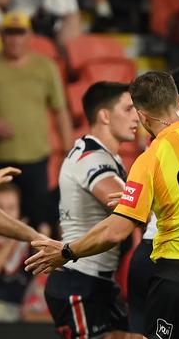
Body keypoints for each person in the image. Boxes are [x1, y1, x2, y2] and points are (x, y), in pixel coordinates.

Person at [25, 71, 179, 339]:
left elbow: (116, 231)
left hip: (176, 278)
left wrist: (66, 251)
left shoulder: (150, 158)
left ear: (143, 117)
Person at [42, 81, 139, 339]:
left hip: (98, 282)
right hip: (79, 281)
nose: (136, 116)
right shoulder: (92, 159)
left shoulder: (106, 155)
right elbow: (126, 204)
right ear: (104, 115)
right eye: (128, 109)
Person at [0, 10, 72, 230]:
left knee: (39, 219)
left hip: (35, 158)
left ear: (30, 35)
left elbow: (60, 111)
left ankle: (37, 264)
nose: (15, 38)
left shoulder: (45, 67)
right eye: (9, 33)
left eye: (20, 32)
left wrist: (69, 151)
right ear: (1, 36)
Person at [0, 183, 31, 322]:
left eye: (11, 208)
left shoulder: (29, 244)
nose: (5, 214)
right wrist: (12, 239)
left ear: (19, 211)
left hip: (21, 315)